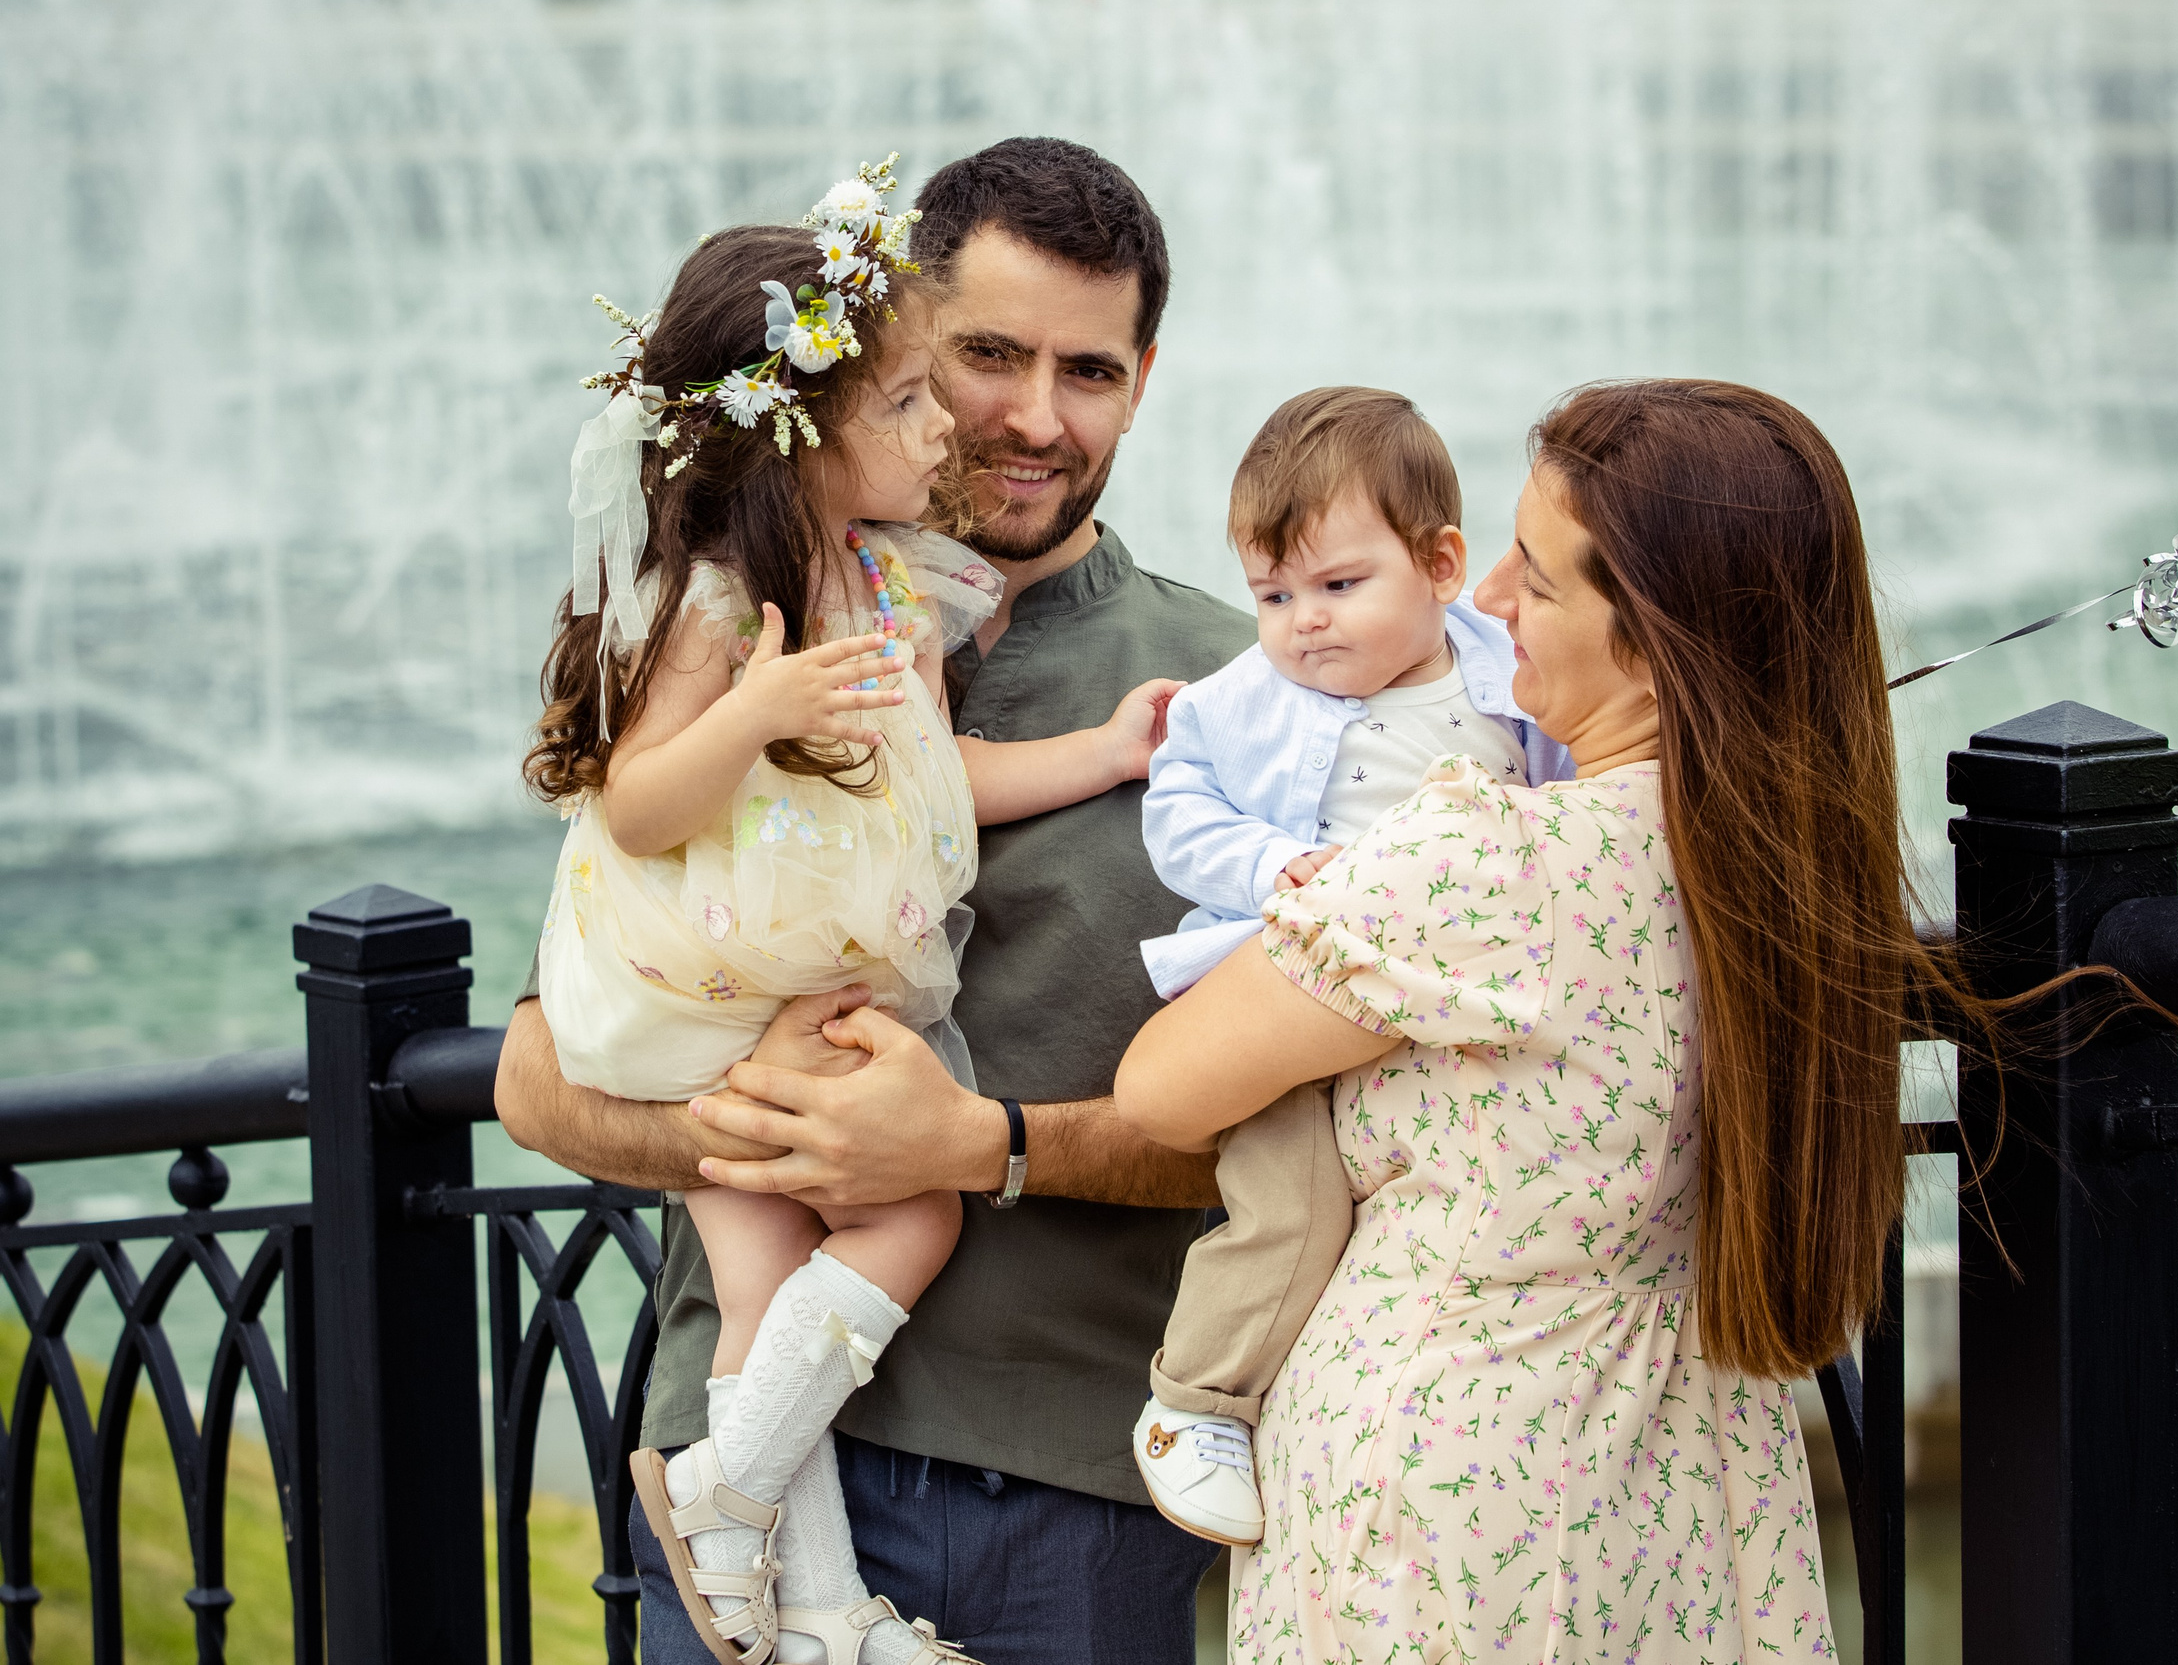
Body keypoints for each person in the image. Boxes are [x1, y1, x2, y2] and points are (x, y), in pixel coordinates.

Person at [495, 138, 1251, 1665]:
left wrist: (983, 1146)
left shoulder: (1242, 691)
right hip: (745, 1494)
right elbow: (539, 1069)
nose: (1035, 416)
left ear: (1146, 378)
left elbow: (1324, 1137)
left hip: (1065, 1502)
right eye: (983, 356)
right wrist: (760, 1136)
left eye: (1090, 370)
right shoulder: (738, 612)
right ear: (872, 357)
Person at [1111, 378, 1922, 1660]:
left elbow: (1161, 1090)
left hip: (1449, 1500)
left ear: (1654, 642)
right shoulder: (1786, 862)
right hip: (1689, 1472)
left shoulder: (1489, 864)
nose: (1485, 600)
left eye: (1536, 582)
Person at [1125, 385, 1571, 1546]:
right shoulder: (1236, 703)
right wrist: (1277, 865)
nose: (1302, 624)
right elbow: (1179, 820)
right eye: (1271, 595)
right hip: (1291, 983)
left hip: (1445, 1009)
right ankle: (1198, 1403)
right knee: (1289, 1201)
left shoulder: (1508, 669)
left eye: (1336, 586)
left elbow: (1575, 780)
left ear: (1439, 564)